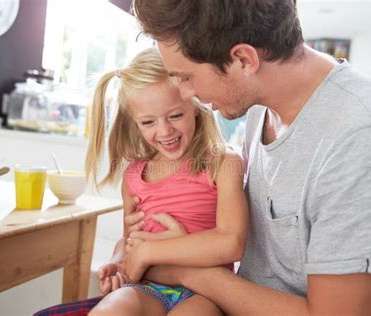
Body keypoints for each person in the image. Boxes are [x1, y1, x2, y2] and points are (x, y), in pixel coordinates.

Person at [127, 0, 371, 315]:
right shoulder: (261, 110)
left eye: (185, 77)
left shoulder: (367, 136)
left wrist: (184, 271)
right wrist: (174, 229)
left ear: (243, 58)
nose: (185, 93)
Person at [83, 48, 248, 316]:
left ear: (195, 105)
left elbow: (231, 244)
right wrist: (117, 262)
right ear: (134, 122)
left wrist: (150, 252)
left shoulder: (224, 164)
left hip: (205, 292)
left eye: (175, 115)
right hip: (146, 288)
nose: (164, 131)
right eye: (148, 122)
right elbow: (129, 241)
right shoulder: (134, 176)